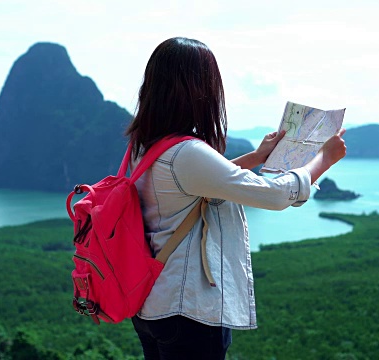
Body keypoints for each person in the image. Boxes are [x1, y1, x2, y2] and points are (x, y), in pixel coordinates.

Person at [126, 37, 346, 360]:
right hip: (189, 311)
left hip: (151, 306)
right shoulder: (187, 153)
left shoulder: (143, 147)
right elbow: (275, 195)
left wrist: (257, 157)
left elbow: (193, 183)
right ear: (198, 91)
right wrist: (323, 159)